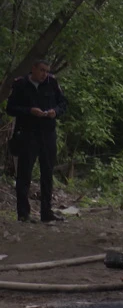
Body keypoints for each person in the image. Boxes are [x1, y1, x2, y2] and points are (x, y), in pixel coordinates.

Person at [6, 59, 68, 223]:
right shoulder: (20, 84)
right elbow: (10, 108)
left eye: (46, 71)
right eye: (41, 70)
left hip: (48, 133)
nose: (44, 74)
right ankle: (23, 213)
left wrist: (55, 111)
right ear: (33, 69)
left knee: (47, 173)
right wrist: (29, 111)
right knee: (24, 174)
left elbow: (63, 103)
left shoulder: (51, 83)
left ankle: (46, 213)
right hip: (28, 134)